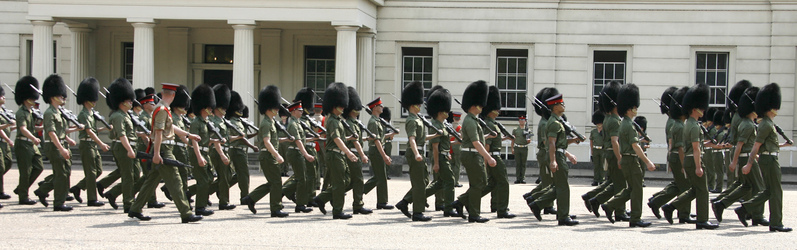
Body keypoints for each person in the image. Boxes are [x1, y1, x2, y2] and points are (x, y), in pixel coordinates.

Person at [127, 82, 202, 223]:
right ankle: (186, 213)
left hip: (162, 148)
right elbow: (159, 132)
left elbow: (170, 126)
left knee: (151, 182)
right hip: (164, 149)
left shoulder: (162, 108)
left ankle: (135, 209)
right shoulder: (161, 109)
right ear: (172, 96)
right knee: (176, 182)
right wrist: (156, 154)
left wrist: (188, 135)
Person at [736, 83, 792, 232]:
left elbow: (767, 146)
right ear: (771, 107)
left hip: (770, 157)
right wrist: (748, 164)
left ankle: (745, 209)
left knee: (769, 191)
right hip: (769, 161)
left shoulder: (768, 123)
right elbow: (756, 146)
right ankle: (776, 223)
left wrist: (784, 145)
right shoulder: (766, 124)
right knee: (776, 191)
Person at [662, 83, 719, 230]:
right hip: (693, 160)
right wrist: (699, 166)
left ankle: (671, 206)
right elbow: (695, 148)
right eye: (701, 108)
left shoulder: (689, 123)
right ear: (694, 109)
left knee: (695, 189)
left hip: (689, 159)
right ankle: (702, 219)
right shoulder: (693, 125)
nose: (703, 110)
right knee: (703, 190)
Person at [599, 84, 656, 227]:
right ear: (630, 109)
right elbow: (635, 146)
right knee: (636, 189)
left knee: (631, 188)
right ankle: (635, 218)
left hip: (627, 159)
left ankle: (610, 205)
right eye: (635, 107)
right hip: (630, 159)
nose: (636, 110)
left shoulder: (624, 123)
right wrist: (647, 161)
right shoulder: (629, 125)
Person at [712, 86, 766, 225]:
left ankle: (722, 204)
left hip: (743, 156)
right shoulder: (747, 124)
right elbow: (740, 144)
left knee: (745, 186)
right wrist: (734, 162)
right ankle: (755, 214)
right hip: (745, 156)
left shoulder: (743, 121)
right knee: (759, 187)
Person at [34, 74, 85, 211]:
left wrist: (73, 132)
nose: (63, 98)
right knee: (61, 174)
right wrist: (61, 148)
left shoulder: (59, 112)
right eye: (60, 96)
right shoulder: (49, 113)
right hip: (54, 145)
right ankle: (58, 203)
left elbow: (61, 131)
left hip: (61, 143)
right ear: (52, 97)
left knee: (64, 173)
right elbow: (51, 132)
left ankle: (43, 190)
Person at [527, 92, 580, 226]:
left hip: (559, 153)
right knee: (563, 187)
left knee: (560, 187)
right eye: (560, 103)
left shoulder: (556, 121)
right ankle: (563, 216)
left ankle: (538, 204)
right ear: (554, 107)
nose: (563, 105)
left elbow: (560, 142)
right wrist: (553, 160)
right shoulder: (554, 123)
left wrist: (573, 140)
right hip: (557, 155)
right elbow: (551, 143)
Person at [450, 80, 497, 223]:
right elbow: (475, 142)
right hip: (471, 154)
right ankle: (474, 213)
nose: (482, 106)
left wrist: (488, 136)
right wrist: (488, 157)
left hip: (473, 152)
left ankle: (461, 202)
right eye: (479, 104)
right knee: (478, 184)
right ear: (473, 106)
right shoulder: (470, 121)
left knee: (481, 182)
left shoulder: (473, 120)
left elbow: (473, 139)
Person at [311, 82, 359, 219]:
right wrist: (349, 153)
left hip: (339, 154)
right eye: (341, 105)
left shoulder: (337, 119)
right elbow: (336, 139)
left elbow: (340, 138)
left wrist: (350, 137)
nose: (343, 107)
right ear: (334, 105)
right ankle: (337, 211)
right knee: (339, 184)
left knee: (347, 180)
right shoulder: (332, 120)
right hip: (335, 154)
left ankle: (322, 198)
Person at [241, 85, 290, 217]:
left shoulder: (271, 122)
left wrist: (286, 140)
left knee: (272, 182)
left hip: (269, 155)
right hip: (268, 155)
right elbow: (267, 142)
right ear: (269, 108)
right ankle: (275, 208)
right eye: (275, 107)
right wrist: (277, 155)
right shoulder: (266, 123)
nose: (277, 109)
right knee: (276, 182)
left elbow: (273, 141)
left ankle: (251, 198)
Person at [585, 81, 629, 223]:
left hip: (608, 152)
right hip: (613, 153)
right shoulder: (615, 121)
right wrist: (620, 158)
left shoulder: (608, 119)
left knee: (615, 182)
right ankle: (618, 211)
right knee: (620, 184)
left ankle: (598, 200)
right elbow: (615, 141)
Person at [395, 81, 439, 222]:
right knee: (419, 183)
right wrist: (417, 154)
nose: (420, 105)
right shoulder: (411, 120)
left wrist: (436, 135)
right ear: (412, 105)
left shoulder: (417, 119)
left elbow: (421, 138)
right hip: (415, 152)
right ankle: (418, 212)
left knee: (424, 180)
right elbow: (412, 139)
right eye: (418, 103)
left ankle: (405, 202)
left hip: (419, 150)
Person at [648, 87, 691, 221]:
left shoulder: (673, 121)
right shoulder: (676, 123)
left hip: (674, 155)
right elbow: (677, 145)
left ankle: (657, 201)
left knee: (679, 184)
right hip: (678, 156)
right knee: (684, 185)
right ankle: (683, 214)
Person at [69, 77, 111, 207]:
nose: (95, 101)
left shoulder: (91, 114)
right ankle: (92, 199)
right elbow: (89, 132)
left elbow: (93, 129)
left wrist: (105, 128)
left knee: (98, 170)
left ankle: (78, 187)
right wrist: (101, 143)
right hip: (87, 144)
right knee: (91, 172)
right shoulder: (83, 114)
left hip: (91, 143)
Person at [280, 95, 316, 213]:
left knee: (302, 178)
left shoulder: (297, 122)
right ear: (294, 111)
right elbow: (298, 141)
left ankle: (296, 200)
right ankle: (299, 204)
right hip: (295, 152)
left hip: (297, 151)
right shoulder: (293, 124)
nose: (302, 111)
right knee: (301, 179)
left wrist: (316, 139)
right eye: (300, 110)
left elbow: (302, 139)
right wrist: (306, 154)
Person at [188, 84, 219, 216]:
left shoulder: (205, 122)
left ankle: (188, 193)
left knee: (209, 178)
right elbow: (194, 141)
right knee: (203, 180)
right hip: (198, 153)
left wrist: (216, 141)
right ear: (203, 108)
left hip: (205, 152)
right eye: (208, 108)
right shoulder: (196, 122)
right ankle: (200, 207)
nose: (210, 110)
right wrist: (199, 157)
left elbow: (204, 140)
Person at [13, 76, 43, 206]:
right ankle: (23, 196)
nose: (33, 100)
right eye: (31, 98)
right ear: (25, 99)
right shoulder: (21, 112)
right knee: (25, 171)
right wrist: (34, 138)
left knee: (38, 167)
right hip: (23, 142)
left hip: (30, 143)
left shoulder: (30, 112)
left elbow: (32, 128)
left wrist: (42, 127)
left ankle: (21, 189)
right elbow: (23, 128)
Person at [362, 97, 395, 210]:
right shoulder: (373, 122)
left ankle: (362, 191)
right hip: (376, 151)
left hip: (378, 149)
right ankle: (381, 201)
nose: (382, 107)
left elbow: (379, 138)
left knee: (379, 176)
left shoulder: (377, 121)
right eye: (380, 105)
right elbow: (376, 140)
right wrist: (384, 155)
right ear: (375, 108)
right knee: (381, 176)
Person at [225, 91, 256, 207]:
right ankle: (244, 197)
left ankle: (220, 188)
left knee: (239, 175)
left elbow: (245, 136)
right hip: (237, 149)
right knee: (244, 174)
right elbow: (241, 138)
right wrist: (252, 146)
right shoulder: (232, 121)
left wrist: (256, 133)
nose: (241, 111)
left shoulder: (239, 121)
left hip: (241, 150)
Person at [209, 85, 234, 210]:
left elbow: (225, 139)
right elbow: (216, 141)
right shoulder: (214, 122)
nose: (225, 109)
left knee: (228, 176)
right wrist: (222, 154)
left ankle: (197, 192)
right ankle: (223, 202)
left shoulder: (222, 121)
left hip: (224, 150)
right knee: (223, 178)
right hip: (218, 152)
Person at [0, 81, 14, 205]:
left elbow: (6, 128)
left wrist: (13, 126)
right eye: (1, 96)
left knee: (7, 163)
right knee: (1, 166)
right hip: (1, 141)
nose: (3, 97)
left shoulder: (3, 111)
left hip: (4, 143)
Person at [512, 115, 531, 184]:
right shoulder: (515, 129)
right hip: (517, 147)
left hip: (524, 147)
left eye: (523, 120)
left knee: (523, 164)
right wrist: (512, 148)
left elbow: (529, 139)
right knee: (518, 164)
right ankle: (518, 178)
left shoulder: (527, 130)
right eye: (520, 120)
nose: (522, 121)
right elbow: (513, 139)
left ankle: (522, 178)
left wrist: (529, 140)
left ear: (525, 121)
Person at [589, 111, 606, 186]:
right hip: (595, 149)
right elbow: (591, 140)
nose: (599, 125)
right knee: (596, 165)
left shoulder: (605, 131)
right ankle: (595, 179)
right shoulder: (593, 131)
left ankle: (602, 179)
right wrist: (592, 150)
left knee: (602, 165)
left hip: (602, 149)